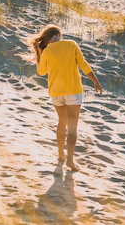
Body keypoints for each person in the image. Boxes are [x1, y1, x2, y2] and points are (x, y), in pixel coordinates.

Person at [32, 25, 103, 171]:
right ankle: (70, 160)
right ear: (59, 34)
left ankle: (60, 155)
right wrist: (95, 81)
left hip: (56, 93)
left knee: (61, 122)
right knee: (72, 127)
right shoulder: (71, 45)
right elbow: (83, 65)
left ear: (49, 37)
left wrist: (39, 54)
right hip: (73, 91)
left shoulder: (46, 51)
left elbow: (41, 72)